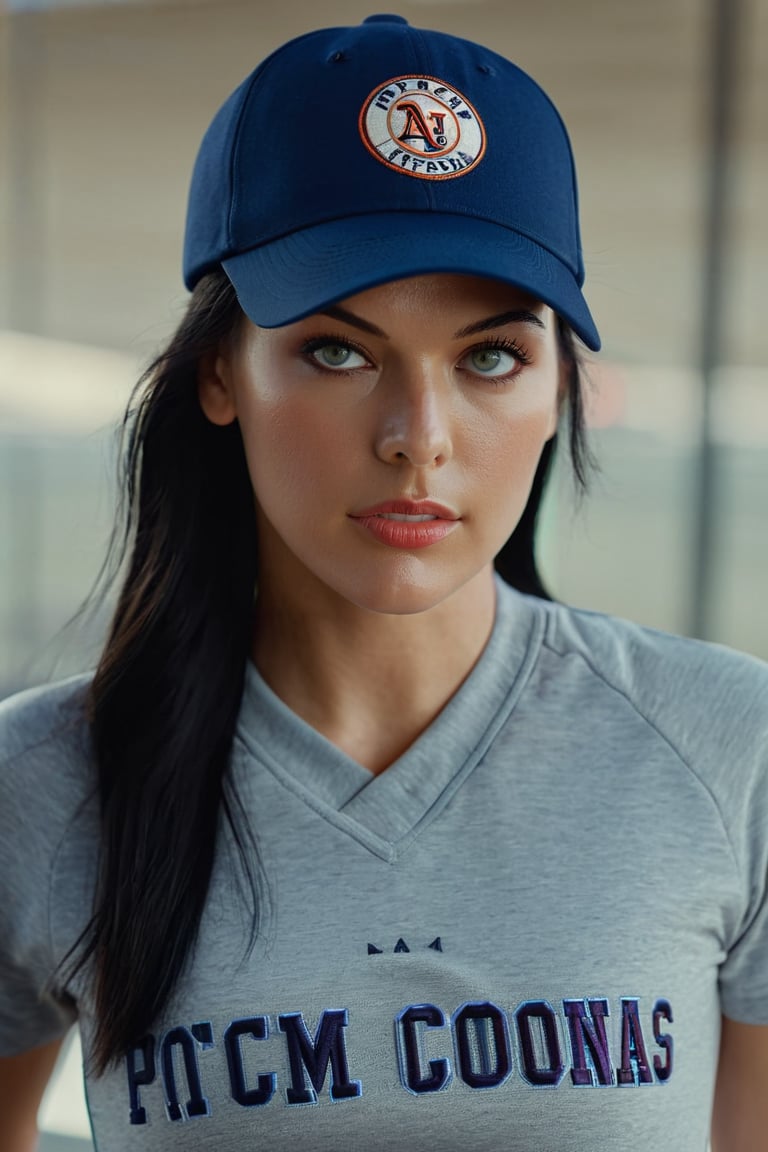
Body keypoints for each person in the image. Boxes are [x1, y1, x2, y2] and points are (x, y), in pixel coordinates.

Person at [1, 13, 767, 1152]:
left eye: (491, 357)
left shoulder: (728, 753)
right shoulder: (44, 790)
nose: (420, 437)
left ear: (561, 387)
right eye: (338, 351)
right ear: (220, 375)